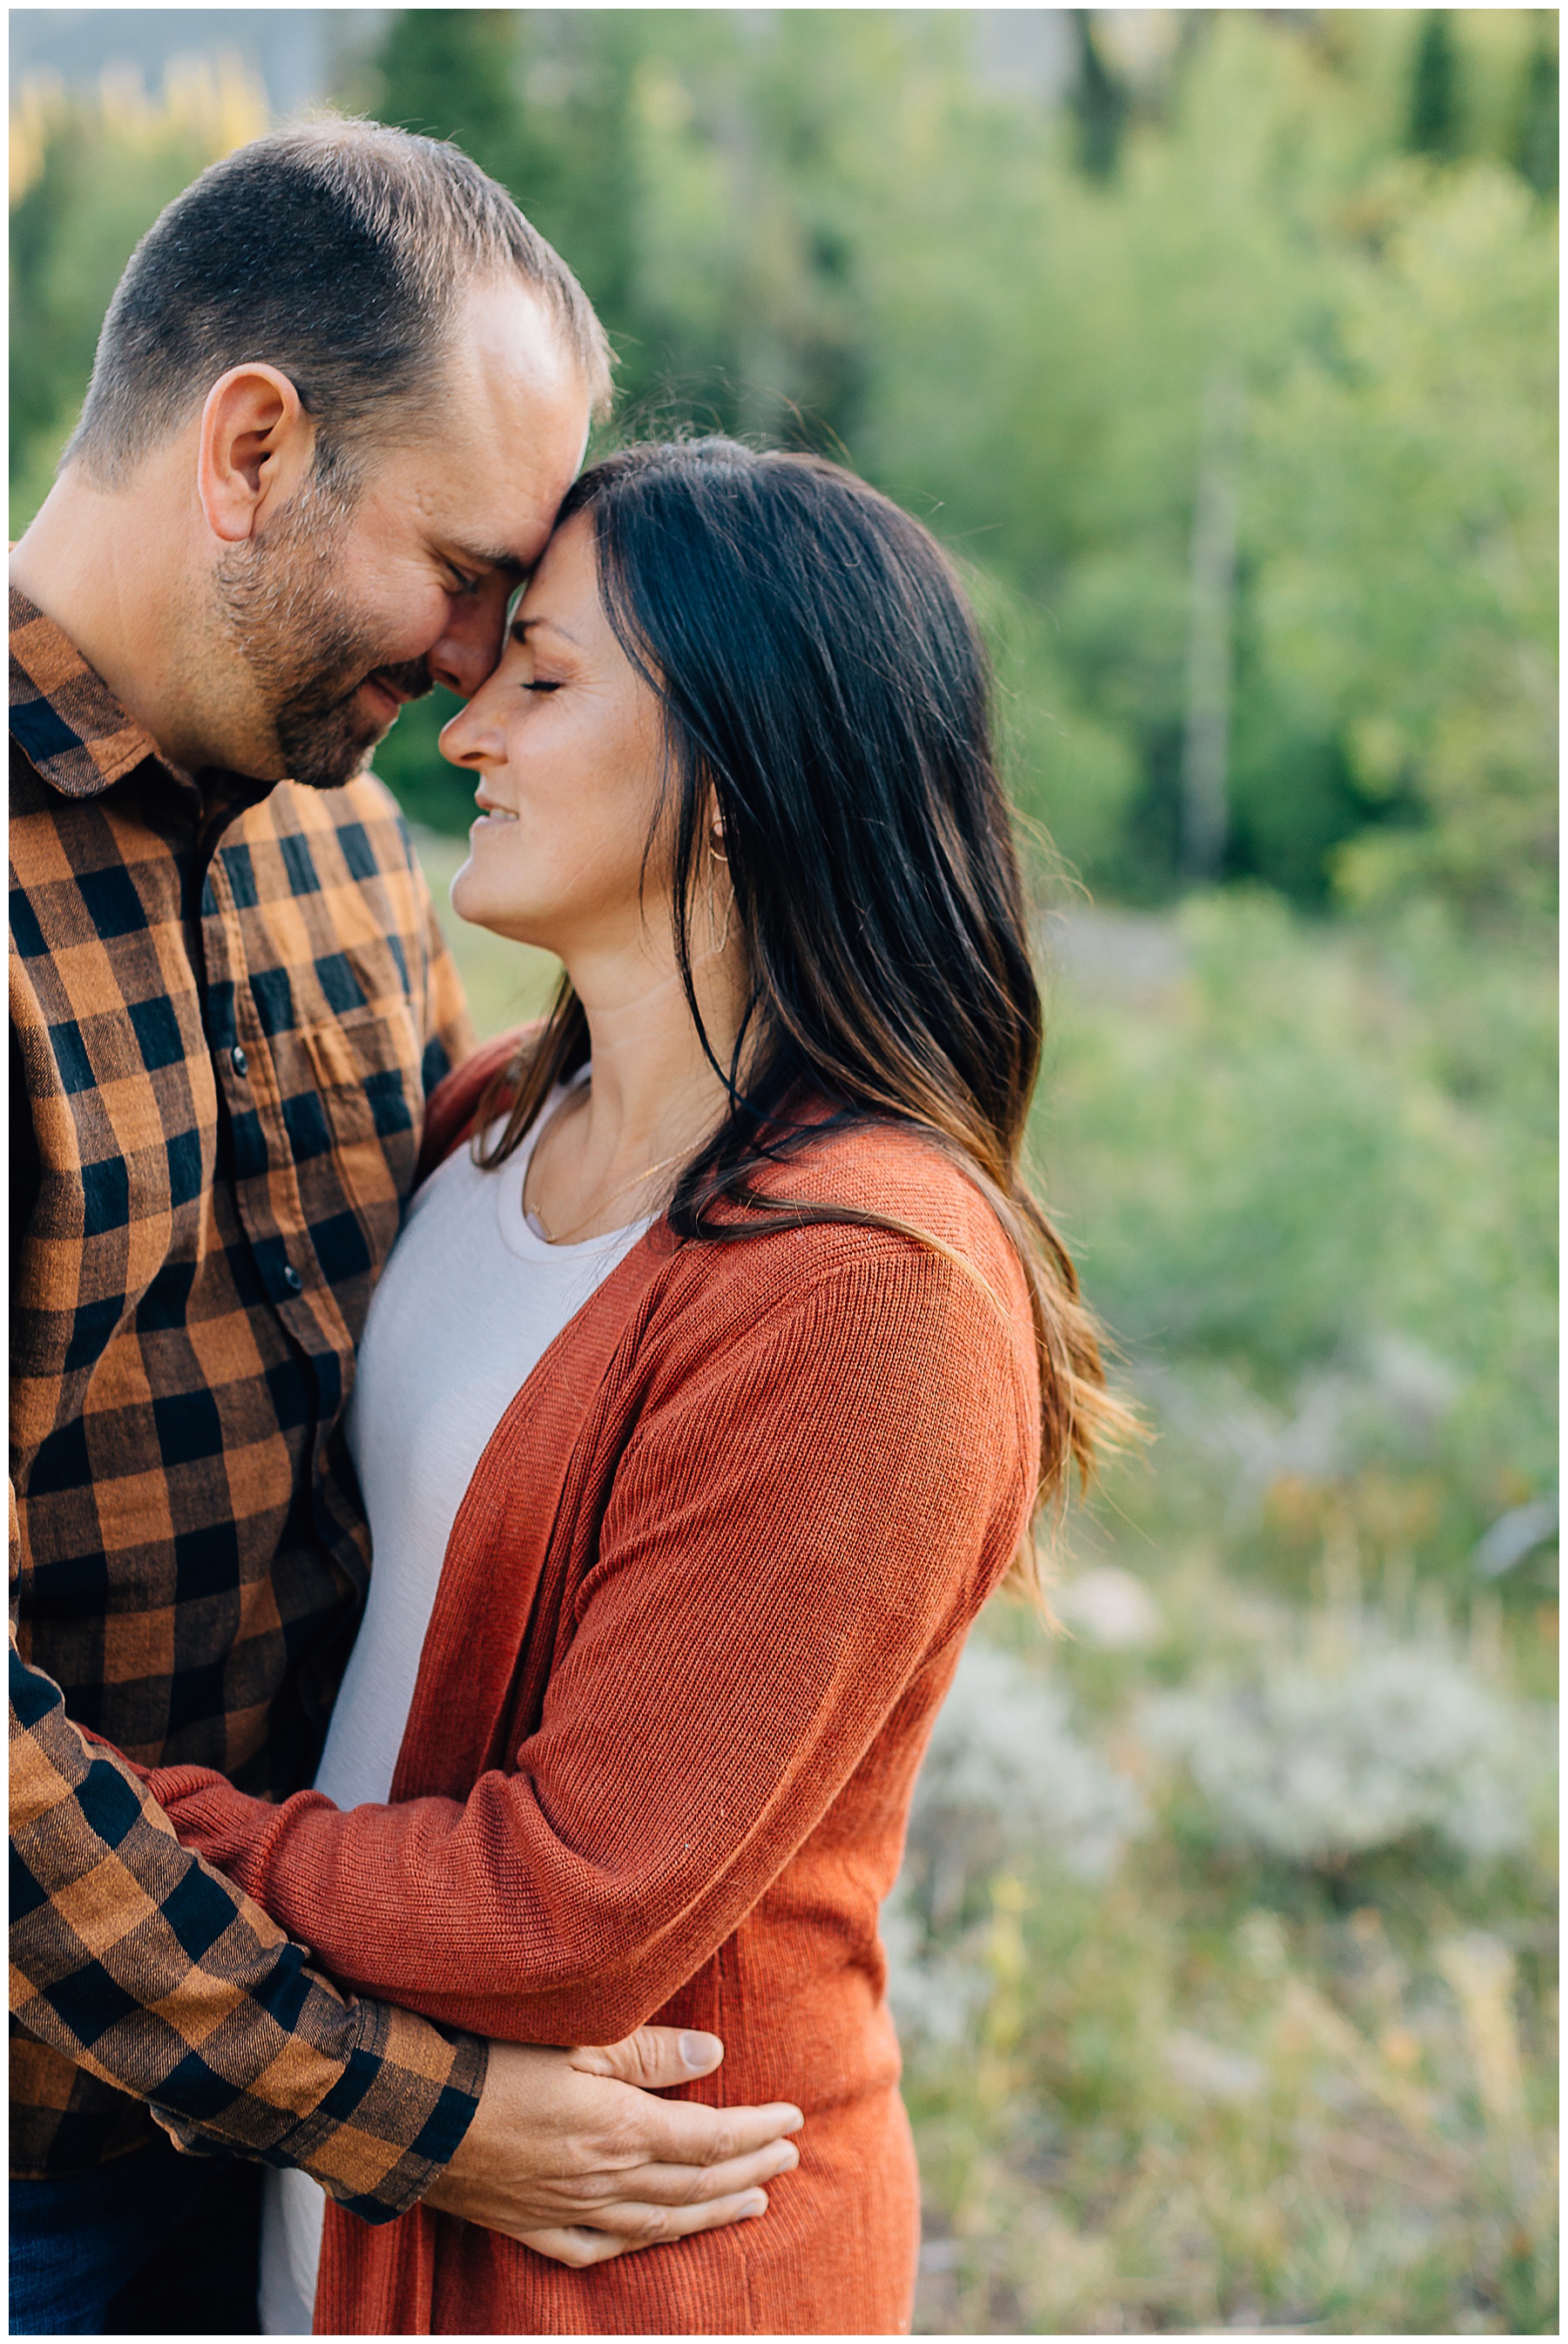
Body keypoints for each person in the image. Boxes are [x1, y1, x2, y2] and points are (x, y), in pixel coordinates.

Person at [145, 438, 1130, 2334]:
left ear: (747, 765)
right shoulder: (493, 1118)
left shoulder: (861, 1284)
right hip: (362, 2199)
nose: (464, 737)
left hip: (629, 2259)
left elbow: (565, 1906)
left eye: (546, 676)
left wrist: (119, 1831)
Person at [10, 130, 800, 2337]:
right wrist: (405, 2103)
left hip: (327, 2147)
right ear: (250, 446)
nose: (474, 678)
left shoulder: (358, 862)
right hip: (43, 2167)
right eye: (461, 571)